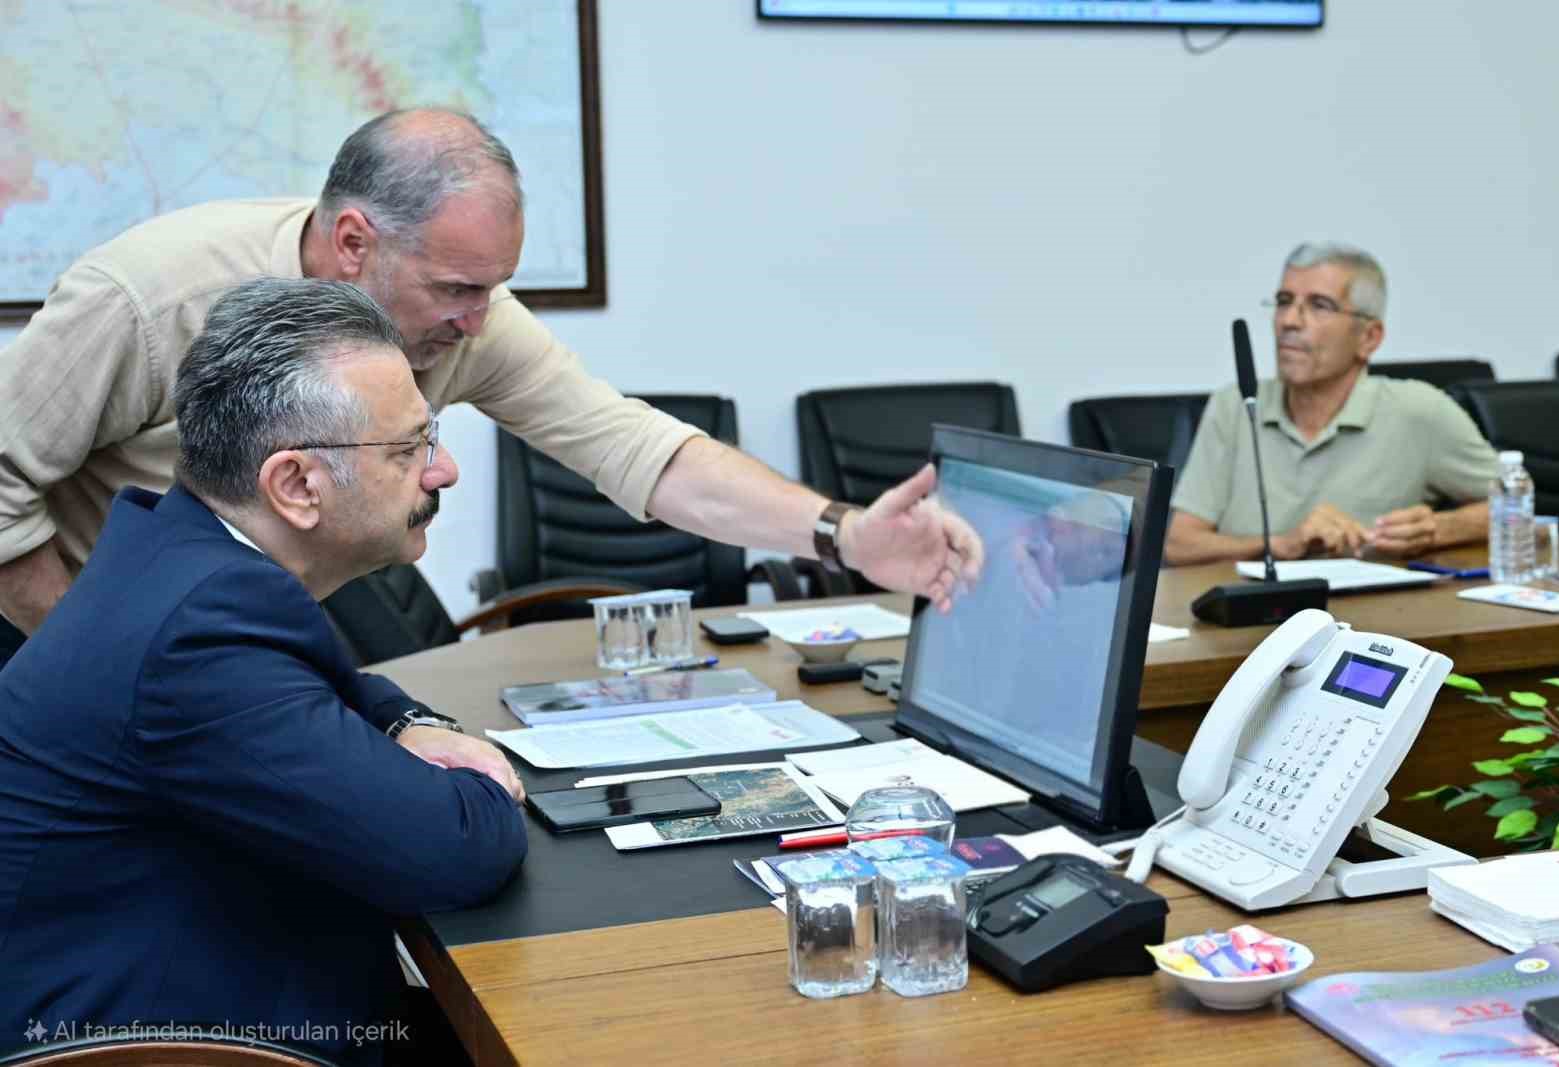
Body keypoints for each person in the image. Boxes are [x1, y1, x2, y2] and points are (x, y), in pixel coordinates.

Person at [0, 108, 982, 665]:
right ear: (354, 243)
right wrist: (95, 652)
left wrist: (843, 532)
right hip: (82, 621)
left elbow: (629, 444)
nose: (477, 320)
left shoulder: (458, 320)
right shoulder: (149, 298)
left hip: (268, 595)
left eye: (494, 288)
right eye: (457, 287)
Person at [0, 279, 528, 1066]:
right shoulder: (200, 637)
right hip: (180, 1041)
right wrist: (491, 781)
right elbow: (451, 851)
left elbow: (323, 685)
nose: (442, 470)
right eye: (411, 446)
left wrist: (407, 723)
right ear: (295, 485)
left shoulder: (181, 556)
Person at [1164, 242, 1500, 567]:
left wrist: (1437, 530)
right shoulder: (1236, 405)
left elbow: (1520, 510)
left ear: (1369, 338)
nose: (1289, 321)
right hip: (1246, 617)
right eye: (1284, 301)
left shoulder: (1420, 412)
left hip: (1375, 618)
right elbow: (1179, 544)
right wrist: (1279, 545)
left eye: (1319, 306)